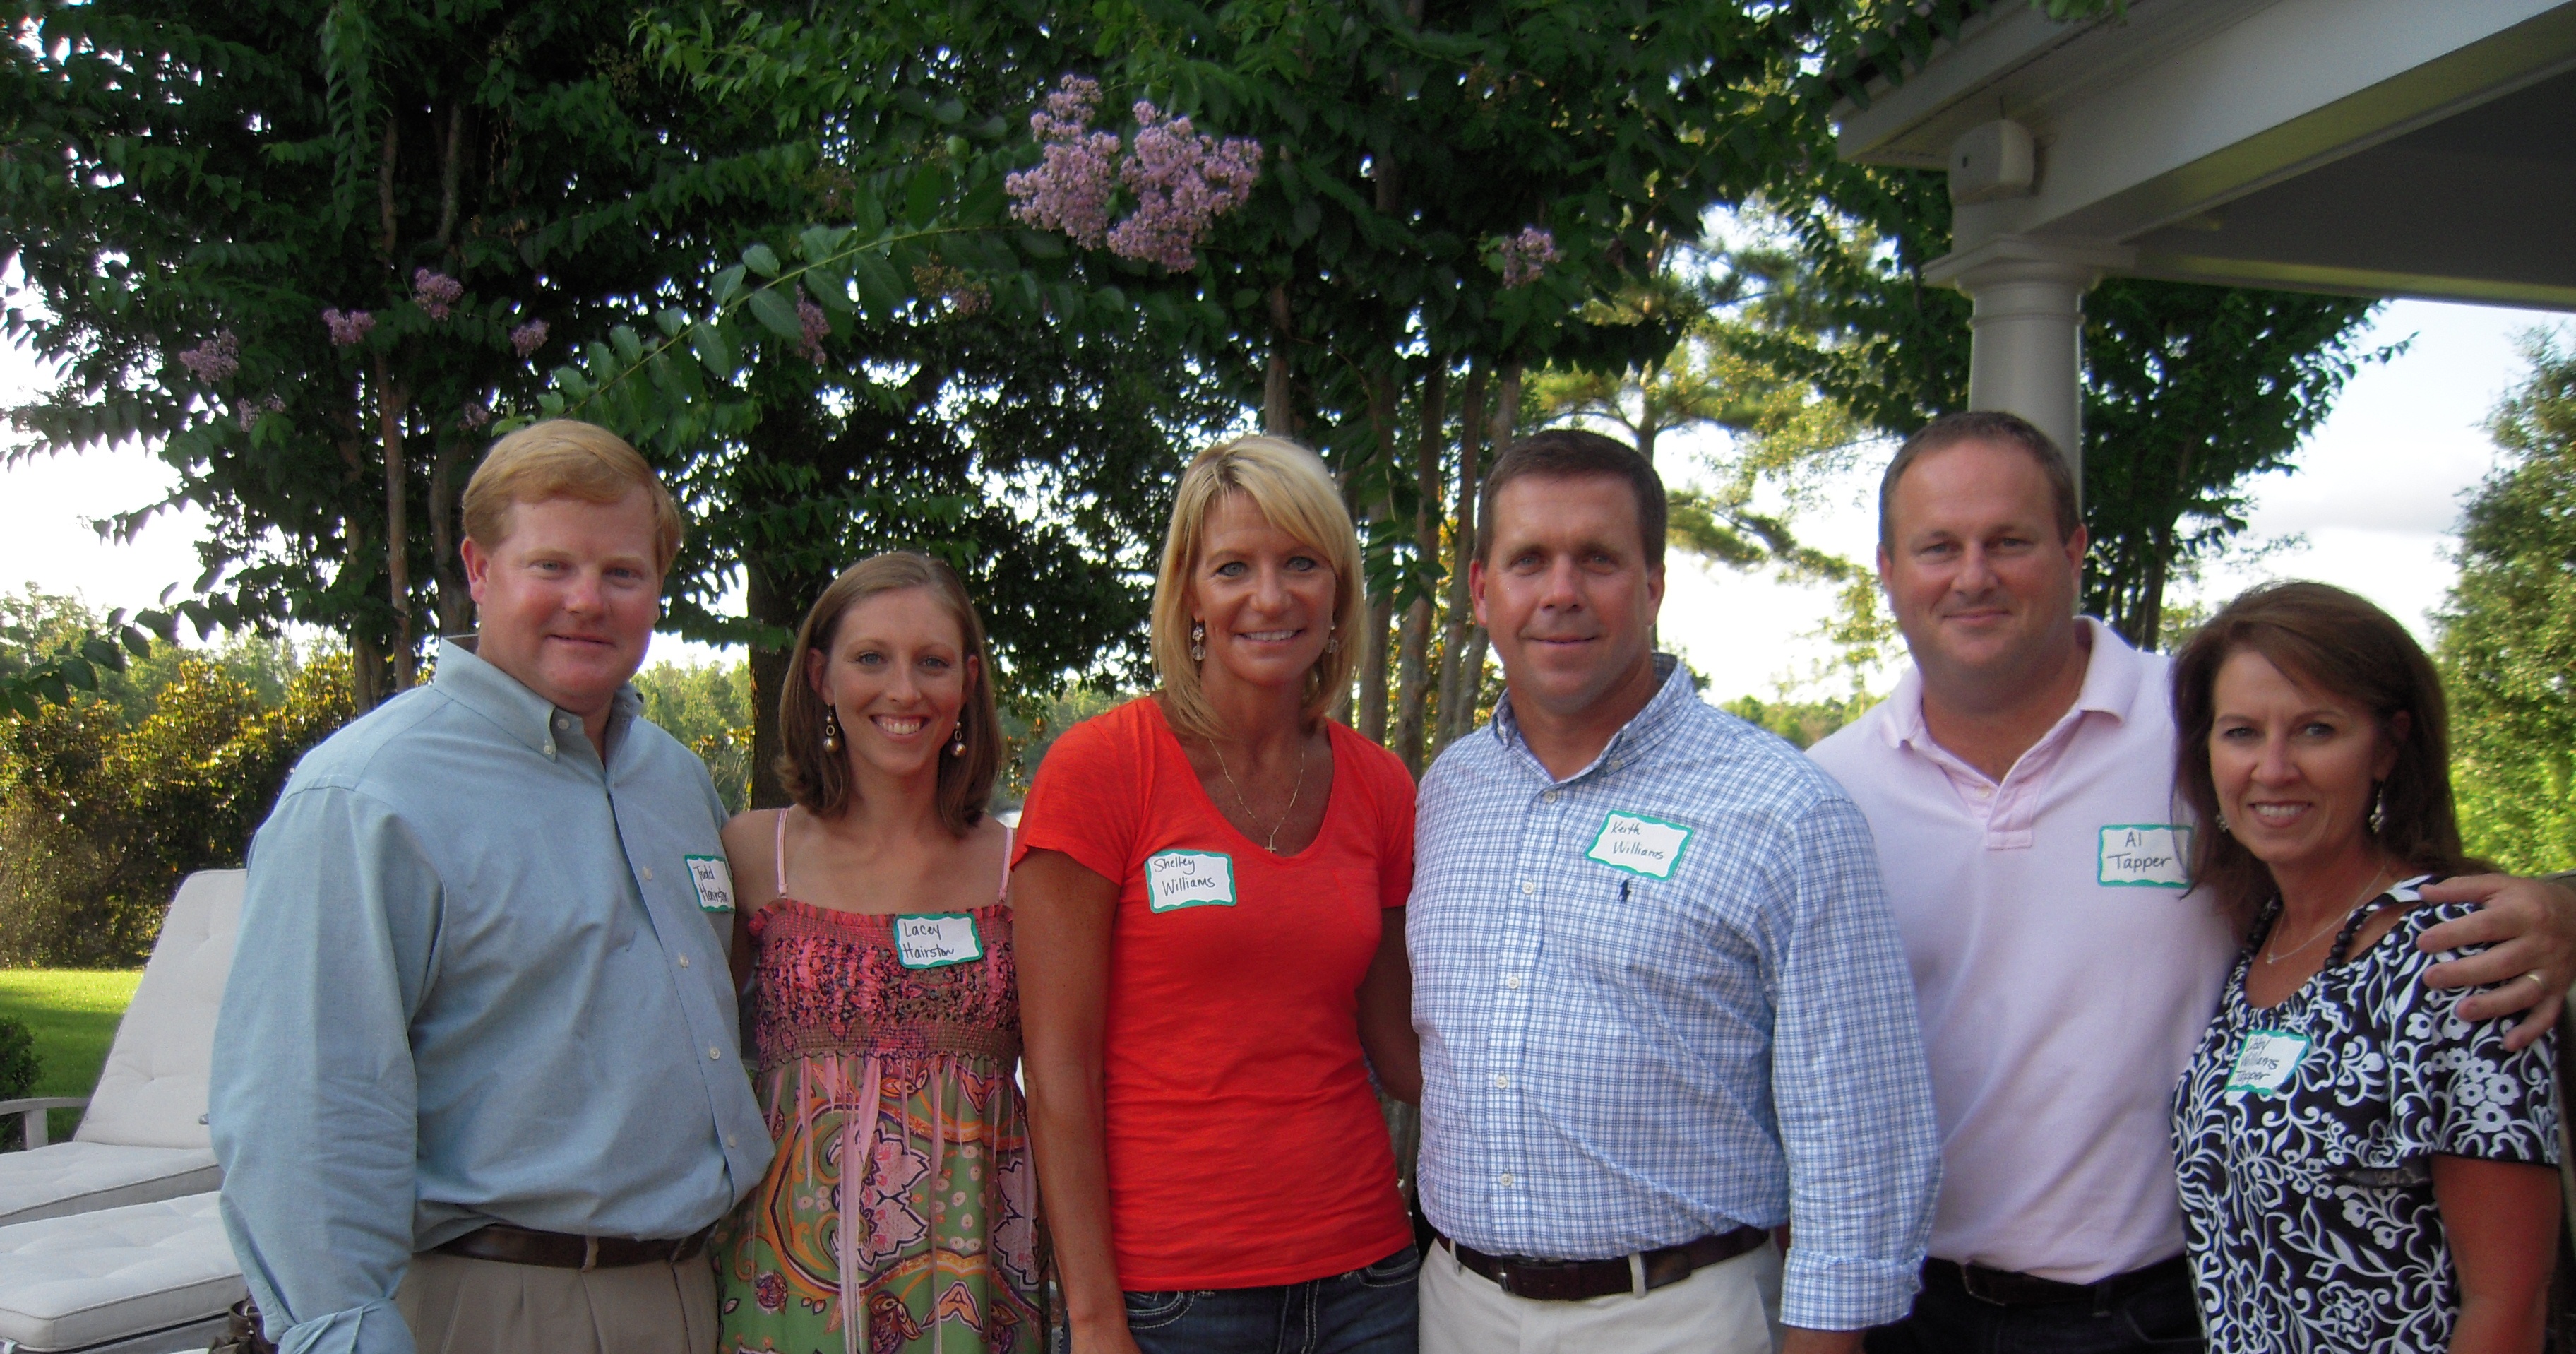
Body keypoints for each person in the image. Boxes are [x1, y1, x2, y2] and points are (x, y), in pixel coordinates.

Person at [1806, 410, 2576, 1354]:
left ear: (2075, 549)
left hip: (2158, 1316)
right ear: (1887, 569)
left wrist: (2560, 905)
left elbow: (2372, 884)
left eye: (2009, 540)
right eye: (1938, 546)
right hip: (1912, 1313)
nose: (1974, 575)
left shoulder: (2204, 733)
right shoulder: (1829, 790)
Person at [210, 420, 771, 1354]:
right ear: (479, 568)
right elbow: (302, 1111)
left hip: (686, 1295)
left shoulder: (673, 782)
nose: (588, 601)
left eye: (623, 572)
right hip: (491, 1305)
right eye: (550, 565)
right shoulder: (367, 796)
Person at [1408, 427, 1941, 1354]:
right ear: (1482, 590)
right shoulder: (1448, 793)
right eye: (1530, 559)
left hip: (1682, 1317)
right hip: (1458, 1308)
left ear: (1653, 586)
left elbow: (1861, 1140)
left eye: (1599, 560)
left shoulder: (1786, 811)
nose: (1561, 592)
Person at [1013, 434, 1421, 1354]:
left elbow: (1401, 1049)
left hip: (1366, 1279)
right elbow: (1059, 1070)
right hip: (1174, 1295)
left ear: (1339, 588)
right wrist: (1092, 1317)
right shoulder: (1103, 769)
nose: (1270, 598)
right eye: (1233, 566)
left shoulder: (1382, 787)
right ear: (1189, 593)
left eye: (1301, 563)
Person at [2168, 581, 2558, 1354]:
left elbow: (2506, 1308)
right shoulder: (2258, 943)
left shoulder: (2453, 956)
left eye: (2316, 730)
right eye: (2242, 733)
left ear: (2385, 746)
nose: (2273, 769)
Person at [712, 552, 1042, 1353]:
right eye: (872, 659)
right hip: (789, 1276)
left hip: (973, 1272)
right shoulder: (756, 851)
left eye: (931, 662)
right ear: (821, 676)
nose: (904, 691)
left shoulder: (1023, 866)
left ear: (967, 682)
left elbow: (1070, 1075)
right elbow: (705, 1056)